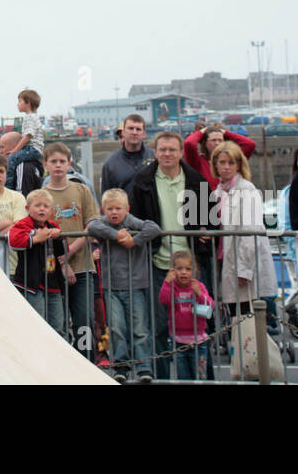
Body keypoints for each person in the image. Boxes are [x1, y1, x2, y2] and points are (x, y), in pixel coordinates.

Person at [128, 131, 215, 376]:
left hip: (192, 263)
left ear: (180, 153)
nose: (167, 154)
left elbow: (211, 219)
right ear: (155, 152)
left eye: (172, 150)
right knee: (158, 328)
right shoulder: (143, 181)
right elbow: (133, 219)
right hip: (158, 264)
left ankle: (204, 378)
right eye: (162, 149)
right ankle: (163, 378)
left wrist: (207, 232)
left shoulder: (196, 181)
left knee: (201, 323)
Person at [87, 188, 160, 382]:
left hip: (135, 285)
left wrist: (134, 241)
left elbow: (153, 228)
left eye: (118, 208)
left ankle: (144, 367)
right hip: (112, 286)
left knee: (139, 329)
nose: (114, 212)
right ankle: (121, 366)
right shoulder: (102, 223)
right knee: (117, 329)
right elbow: (93, 227)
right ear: (103, 209)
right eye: (109, 209)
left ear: (127, 209)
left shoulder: (132, 222)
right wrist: (116, 235)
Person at [41, 142, 100, 360]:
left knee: (84, 320)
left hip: (83, 266)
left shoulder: (82, 190)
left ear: (69, 164)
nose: (58, 165)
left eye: (62, 161)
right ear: (45, 164)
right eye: (53, 161)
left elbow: (92, 224)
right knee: (57, 322)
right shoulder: (40, 195)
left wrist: (70, 253)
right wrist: (62, 263)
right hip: (52, 270)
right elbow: (40, 231)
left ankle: (86, 362)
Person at [213, 142, 278, 320]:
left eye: (231, 163)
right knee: (236, 318)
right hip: (227, 262)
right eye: (222, 162)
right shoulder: (219, 192)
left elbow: (250, 233)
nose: (226, 167)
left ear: (239, 165)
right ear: (215, 165)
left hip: (243, 266)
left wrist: (244, 270)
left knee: (246, 320)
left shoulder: (247, 191)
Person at [8, 190, 69, 336]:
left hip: (53, 282)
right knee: (37, 324)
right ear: (28, 209)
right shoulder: (23, 224)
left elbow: (63, 251)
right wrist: (35, 238)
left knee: (58, 324)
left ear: (51, 211)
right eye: (37, 205)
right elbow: (14, 241)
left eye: (46, 206)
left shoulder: (53, 226)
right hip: (31, 284)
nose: (42, 209)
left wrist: (59, 236)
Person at [158, 249, 215, 381]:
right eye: (179, 268)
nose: (183, 272)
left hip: (199, 342)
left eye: (188, 269)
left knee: (200, 377)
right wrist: (167, 282)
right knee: (183, 378)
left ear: (194, 271)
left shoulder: (198, 286)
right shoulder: (171, 286)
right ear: (173, 271)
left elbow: (210, 305)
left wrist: (200, 294)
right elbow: (164, 300)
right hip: (178, 342)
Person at [183, 122, 255, 188]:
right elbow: (189, 143)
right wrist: (202, 132)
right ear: (205, 142)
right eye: (213, 140)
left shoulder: (232, 159)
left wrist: (225, 133)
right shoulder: (197, 163)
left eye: (220, 140)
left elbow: (250, 144)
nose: (217, 143)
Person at [99, 114, 154, 196]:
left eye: (138, 129)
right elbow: (106, 198)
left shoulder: (155, 157)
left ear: (144, 134)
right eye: (131, 128)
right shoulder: (110, 164)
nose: (134, 132)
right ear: (123, 132)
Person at [6, 89, 45, 192]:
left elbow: (28, 136)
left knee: (11, 159)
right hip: (36, 150)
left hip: (32, 149)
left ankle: (8, 187)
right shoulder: (35, 117)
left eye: (20, 101)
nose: (17, 104)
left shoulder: (29, 117)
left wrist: (15, 151)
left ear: (28, 103)